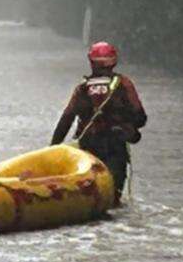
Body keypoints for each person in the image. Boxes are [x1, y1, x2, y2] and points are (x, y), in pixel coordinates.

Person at [50, 41, 146, 202]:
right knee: (113, 197)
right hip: (115, 146)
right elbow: (140, 117)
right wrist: (126, 127)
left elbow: (66, 119)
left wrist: (53, 148)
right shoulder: (123, 84)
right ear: (113, 62)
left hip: (88, 146)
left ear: (91, 62)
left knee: (88, 194)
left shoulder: (83, 88)